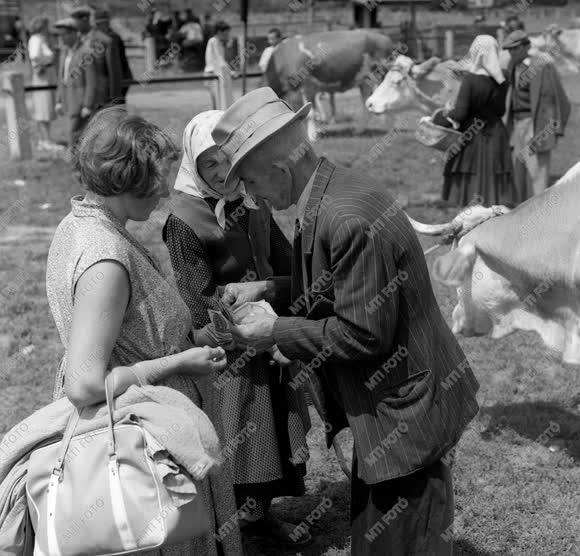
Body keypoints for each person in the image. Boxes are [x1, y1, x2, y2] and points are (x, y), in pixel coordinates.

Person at [214, 88, 480, 556]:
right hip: (390, 410)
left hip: (404, 414)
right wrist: (270, 289)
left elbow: (363, 335)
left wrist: (272, 331)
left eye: (251, 184)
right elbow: (338, 286)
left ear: (279, 169)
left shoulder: (345, 216)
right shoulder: (328, 192)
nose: (251, 198)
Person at [45, 106, 242, 556]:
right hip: (141, 444)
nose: (164, 192)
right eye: (157, 180)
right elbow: (85, 384)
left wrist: (194, 340)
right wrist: (179, 361)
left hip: (145, 428)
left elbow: (124, 333)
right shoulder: (105, 258)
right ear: (128, 180)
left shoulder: (81, 223)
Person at [162, 110, 312, 547]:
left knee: (275, 430)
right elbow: (198, 298)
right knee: (243, 435)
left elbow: (287, 263)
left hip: (271, 332)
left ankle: (259, 517)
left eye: (227, 159)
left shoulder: (253, 201)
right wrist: (247, 326)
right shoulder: (184, 221)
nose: (222, 172)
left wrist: (281, 309)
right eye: (209, 164)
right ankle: (236, 527)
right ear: (192, 165)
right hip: (230, 349)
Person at [432, 35, 515, 207]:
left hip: (473, 136)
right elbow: (501, 110)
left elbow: (460, 114)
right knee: (494, 178)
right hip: (497, 134)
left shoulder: (471, 80)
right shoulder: (504, 77)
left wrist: (439, 118)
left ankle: (473, 220)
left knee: (473, 178)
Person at [503, 30, 570, 200]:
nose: (511, 53)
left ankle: (540, 212)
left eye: (514, 48)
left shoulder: (541, 66)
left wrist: (540, 131)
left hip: (535, 124)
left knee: (537, 171)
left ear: (526, 46)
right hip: (518, 125)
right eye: (509, 49)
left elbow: (550, 102)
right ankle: (522, 209)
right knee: (519, 169)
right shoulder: (513, 66)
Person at [54, 17, 97, 149]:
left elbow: (91, 81)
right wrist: (58, 101)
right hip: (68, 100)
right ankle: (81, 163)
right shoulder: (64, 53)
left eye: (64, 35)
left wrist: (87, 105)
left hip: (80, 102)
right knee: (76, 134)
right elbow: (62, 79)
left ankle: (75, 164)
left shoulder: (85, 52)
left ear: (74, 33)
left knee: (73, 133)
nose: (61, 38)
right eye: (59, 35)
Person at [70, 5, 122, 107]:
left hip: (100, 98)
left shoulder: (104, 40)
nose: (74, 25)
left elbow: (114, 72)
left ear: (85, 19)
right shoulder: (75, 41)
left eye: (76, 21)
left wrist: (114, 98)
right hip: (79, 97)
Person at [27, 15, 62, 152]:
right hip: (43, 75)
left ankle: (45, 139)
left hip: (47, 74)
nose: (48, 28)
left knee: (46, 106)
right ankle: (45, 140)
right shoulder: (36, 39)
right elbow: (34, 56)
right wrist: (41, 65)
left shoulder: (41, 39)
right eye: (47, 26)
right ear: (41, 26)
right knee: (43, 107)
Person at [94, 9, 133, 104]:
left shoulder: (113, 38)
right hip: (106, 82)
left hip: (117, 79)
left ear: (107, 23)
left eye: (102, 23)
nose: (99, 26)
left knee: (115, 107)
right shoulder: (97, 38)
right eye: (98, 24)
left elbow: (115, 67)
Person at [205, 21, 235, 109]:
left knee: (219, 102)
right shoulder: (214, 41)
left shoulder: (220, 43)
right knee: (217, 102)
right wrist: (231, 72)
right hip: (213, 74)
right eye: (226, 33)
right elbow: (219, 60)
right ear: (219, 32)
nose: (228, 35)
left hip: (218, 73)